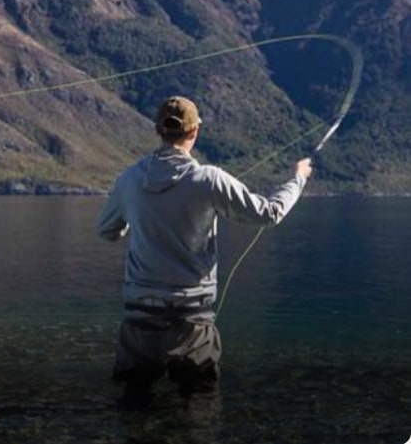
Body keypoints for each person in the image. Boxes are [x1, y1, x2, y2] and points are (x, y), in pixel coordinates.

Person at [97, 95, 312, 405]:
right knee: (197, 412)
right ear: (194, 132)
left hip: (139, 319)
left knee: (134, 411)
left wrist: (136, 220)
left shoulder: (128, 180)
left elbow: (107, 231)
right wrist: (297, 179)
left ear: (158, 130)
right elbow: (269, 214)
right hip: (192, 323)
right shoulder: (209, 179)